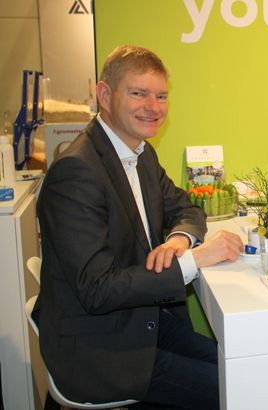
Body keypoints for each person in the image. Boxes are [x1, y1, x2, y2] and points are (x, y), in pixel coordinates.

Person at [34, 45, 243, 409]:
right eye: (138, 93)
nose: (154, 107)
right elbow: (97, 290)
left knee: (245, 370)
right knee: (242, 390)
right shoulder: (76, 172)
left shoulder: (140, 153)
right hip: (101, 349)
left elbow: (186, 207)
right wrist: (194, 260)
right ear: (105, 95)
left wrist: (179, 239)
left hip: (141, 320)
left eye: (161, 96)